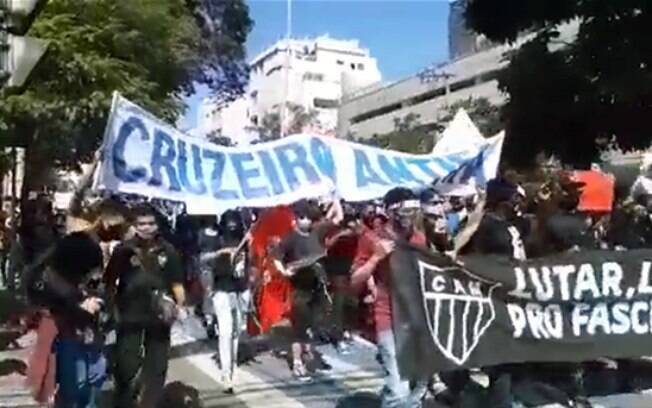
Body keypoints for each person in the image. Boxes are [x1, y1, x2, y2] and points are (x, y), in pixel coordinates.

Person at [350, 187, 428, 408]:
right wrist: (376, 258)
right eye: (405, 211)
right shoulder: (373, 239)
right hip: (387, 315)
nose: (410, 218)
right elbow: (355, 280)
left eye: (415, 212)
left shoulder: (418, 238)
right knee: (398, 388)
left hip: (415, 318)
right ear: (391, 212)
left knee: (418, 384)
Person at [105, 205, 186, 408]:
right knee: (126, 363)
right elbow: (109, 282)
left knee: (157, 366)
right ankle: (123, 400)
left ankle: (150, 402)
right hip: (129, 315)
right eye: (141, 224)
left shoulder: (168, 250)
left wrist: (180, 306)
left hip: (159, 316)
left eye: (151, 223)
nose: (146, 228)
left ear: (157, 225)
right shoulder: (123, 251)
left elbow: (177, 283)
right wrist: (110, 308)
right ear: (134, 226)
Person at [25, 232, 107, 408]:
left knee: (94, 378)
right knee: (74, 384)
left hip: (87, 334)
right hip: (64, 335)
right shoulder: (44, 277)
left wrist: (92, 300)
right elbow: (49, 305)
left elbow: (97, 291)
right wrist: (79, 305)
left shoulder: (81, 264)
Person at [274, 199, 343, 381]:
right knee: (299, 328)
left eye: (309, 218)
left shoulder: (317, 231)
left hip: (318, 287)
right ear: (296, 219)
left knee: (314, 324)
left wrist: (335, 198)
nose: (307, 222)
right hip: (300, 289)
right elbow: (276, 257)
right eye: (303, 218)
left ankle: (308, 354)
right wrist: (285, 271)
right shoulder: (290, 238)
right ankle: (297, 362)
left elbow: (338, 218)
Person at [202, 210, 251, 393]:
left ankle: (233, 362)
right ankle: (226, 372)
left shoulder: (245, 240)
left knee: (237, 331)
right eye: (229, 224)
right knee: (225, 332)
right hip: (222, 290)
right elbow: (203, 259)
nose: (233, 227)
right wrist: (220, 253)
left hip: (241, 289)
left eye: (235, 223)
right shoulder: (215, 240)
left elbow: (249, 265)